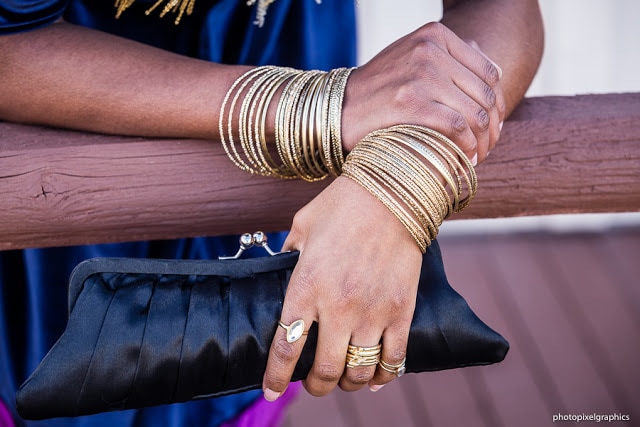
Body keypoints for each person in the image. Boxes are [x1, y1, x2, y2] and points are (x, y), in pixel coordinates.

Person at [0, 0, 544, 426]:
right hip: (58, 200)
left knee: (238, 379)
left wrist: (399, 180)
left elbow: (503, 7)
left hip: (287, 214)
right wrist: (321, 105)